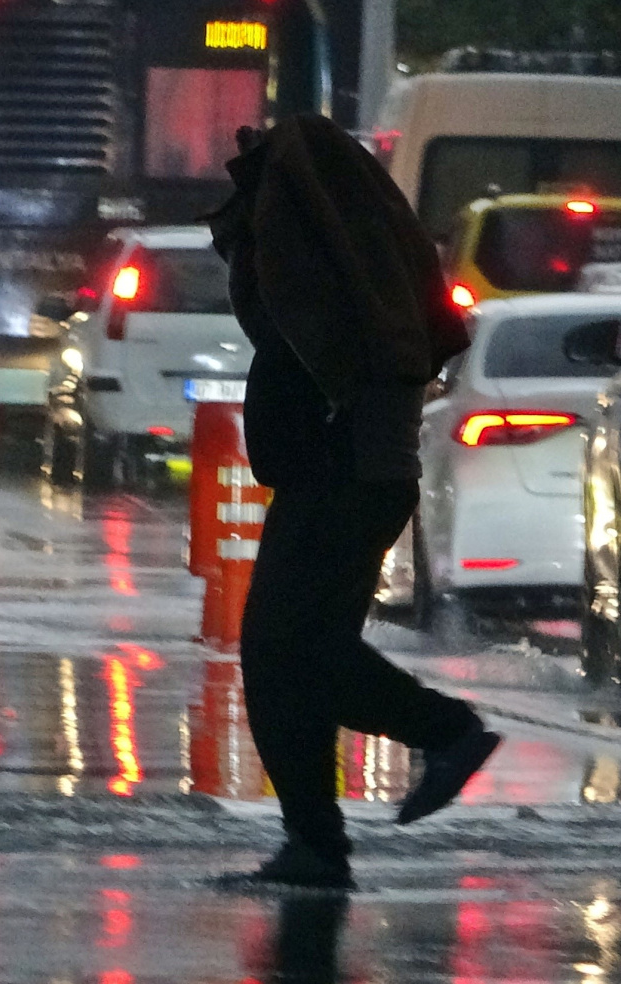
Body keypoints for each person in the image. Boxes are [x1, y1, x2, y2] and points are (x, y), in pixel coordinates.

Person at [207, 114, 501, 891]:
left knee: (288, 651)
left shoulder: (318, 255)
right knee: (285, 655)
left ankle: (444, 732)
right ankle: (315, 844)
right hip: (343, 472)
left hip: (342, 473)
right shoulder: (350, 253)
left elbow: (310, 326)